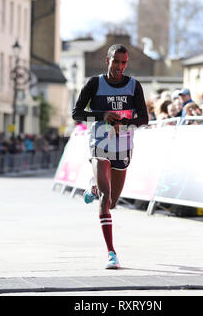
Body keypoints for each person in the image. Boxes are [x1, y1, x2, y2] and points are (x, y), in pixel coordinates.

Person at [72, 44, 148, 269]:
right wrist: (102, 115)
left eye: (124, 62)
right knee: (106, 197)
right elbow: (76, 113)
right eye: (116, 61)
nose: (120, 67)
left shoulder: (134, 86)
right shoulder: (94, 83)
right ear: (108, 61)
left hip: (123, 145)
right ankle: (111, 253)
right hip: (100, 144)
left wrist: (124, 123)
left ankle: (93, 186)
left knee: (112, 202)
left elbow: (144, 118)